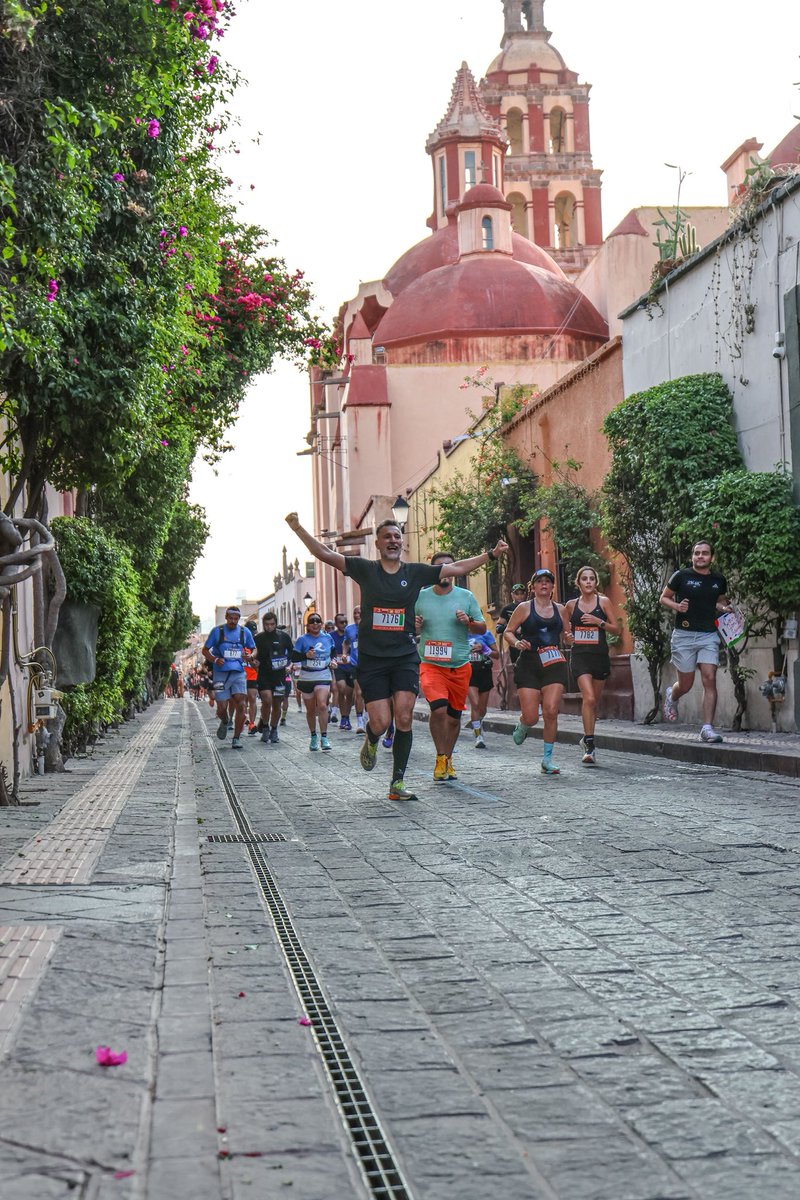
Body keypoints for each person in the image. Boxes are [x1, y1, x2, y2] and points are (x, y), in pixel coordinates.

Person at [285, 511, 508, 801]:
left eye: (397, 537)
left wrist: (490, 554)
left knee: (403, 717)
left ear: (401, 543)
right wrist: (298, 527)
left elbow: (458, 568)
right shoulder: (365, 569)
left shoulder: (414, 572)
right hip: (373, 659)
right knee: (380, 721)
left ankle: (397, 783)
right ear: (377, 543)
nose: (393, 540)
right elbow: (325, 553)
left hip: (404, 656)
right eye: (387, 536)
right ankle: (372, 737)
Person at [415, 552, 486, 780]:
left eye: (448, 566)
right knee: (438, 709)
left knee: (454, 718)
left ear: (454, 570)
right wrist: (415, 626)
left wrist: (469, 622)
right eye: (439, 567)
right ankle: (440, 757)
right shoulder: (420, 598)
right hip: (431, 665)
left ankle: (449, 759)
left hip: (459, 665)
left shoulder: (465, 596)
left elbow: (482, 628)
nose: (444, 570)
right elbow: (409, 629)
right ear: (433, 571)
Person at [660, 540, 732, 743]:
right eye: (697, 553)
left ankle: (707, 728)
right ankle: (672, 695)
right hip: (683, 635)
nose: (700, 556)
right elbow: (663, 598)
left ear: (711, 557)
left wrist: (724, 608)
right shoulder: (681, 576)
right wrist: (677, 606)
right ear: (692, 556)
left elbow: (719, 601)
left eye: (705, 553)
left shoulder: (719, 579)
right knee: (686, 685)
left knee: (710, 678)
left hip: (708, 635)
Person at [503, 568, 569, 775]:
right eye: (539, 581)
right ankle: (524, 724)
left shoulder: (561, 609)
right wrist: (516, 643)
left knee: (550, 710)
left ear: (552, 587)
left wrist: (569, 639)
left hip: (553, 663)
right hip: (530, 663)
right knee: (532, 716)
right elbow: (508, 631)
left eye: (548, 581)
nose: (544, 585)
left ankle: (547, 760)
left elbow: (566, 633)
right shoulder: (524, 608)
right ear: (533, 587)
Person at [564, 566, 621, 766]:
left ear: (595, 582)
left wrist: (599, 622)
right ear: (578, 583)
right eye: (584, 579)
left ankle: (587, 736)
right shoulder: (571, 606)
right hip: (580, 657)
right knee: (588, 698)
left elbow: (618, 629)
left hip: (599, 656)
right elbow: (564, 633)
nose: (588, 582)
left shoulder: (603, 602)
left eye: (591, 579)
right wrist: (568, 637)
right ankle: (590, 745)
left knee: (593, 702)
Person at [202, 607, 256, 749]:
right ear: (226, 617)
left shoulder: (245, 632)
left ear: (238, 619)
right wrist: (214, 659)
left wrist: (250, 656)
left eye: (236, 618)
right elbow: (205, 650)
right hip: (220, 674)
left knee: (241, 703)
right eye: (230, 618)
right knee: (222, 707)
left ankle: (236, 738)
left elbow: (254, 648)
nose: (233, 621)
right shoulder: (217, 632)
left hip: (238, 673)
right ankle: (225, 721)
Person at [293, 613, 335, 751]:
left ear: (321, 624)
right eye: (312, 621)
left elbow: (333, 654)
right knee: (311, 710)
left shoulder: (328, 638)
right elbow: (293, 657)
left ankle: (324, 737)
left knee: (322, 705)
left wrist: (333, 661)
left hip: (323, 674)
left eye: (318, 621)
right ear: (308, 625)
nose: (315, 623)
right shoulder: (302, 640)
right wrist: (305, 655)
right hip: (306, 676)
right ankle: (313, 736)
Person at [254, 611, 294, 744]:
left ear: (276, 624)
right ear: (263, 625)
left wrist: (290, 665)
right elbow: (254, 654)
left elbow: (292, 654)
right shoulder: (258, 638)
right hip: (264, 674)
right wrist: (254, 662)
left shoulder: (284, 637)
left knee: (277, 703)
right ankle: (265, 726)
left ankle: (274, 729)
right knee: (267, 700)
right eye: (266, 624)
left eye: (271, 624)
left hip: (279, 676)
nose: (269, 627)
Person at [467, 628, 499, 749]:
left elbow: (497, 655)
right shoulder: (459, 634)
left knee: (482, 709)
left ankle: (477, 724)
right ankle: (478, 736)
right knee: (474, 704)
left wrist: (484, 649)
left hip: (484, 671)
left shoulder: (486, 634)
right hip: (468, 672)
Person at [329, 612, 356, 730]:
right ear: (336, 623)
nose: (344, 624)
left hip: (351, 666)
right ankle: (344, 716)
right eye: (341, 622)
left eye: (345, 622)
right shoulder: (331, 636)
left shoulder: (351, 632)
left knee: (350, 694)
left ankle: (346, 717)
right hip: (338, 667)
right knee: (341, 688)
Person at [343, 606, 365, 732]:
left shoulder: (370, 626)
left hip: (370, 664)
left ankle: (368, 717)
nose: (357, 615)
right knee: (359, 692)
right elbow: (346, 643)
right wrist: (345, 654)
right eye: (354, 613)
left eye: (359, 613)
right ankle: (360, 722)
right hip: (356, 664)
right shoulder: (349, 629)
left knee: (370, 693)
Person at [495, 583, 529, 665]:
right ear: (512, 595)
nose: (520, 596)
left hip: (530, 641)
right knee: (517, 666)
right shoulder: (507, 609)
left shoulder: (530, 606)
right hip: (515, 642)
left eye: (522, 593)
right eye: (517, 594)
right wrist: (511, 628)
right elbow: (498, 627)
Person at [243, 620, 259, 734]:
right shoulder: (240, 642)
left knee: (252, 699)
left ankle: (252, 724)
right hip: (241, 676)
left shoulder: (257, 645)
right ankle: (245, 719)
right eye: (251, 632)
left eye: (254, 632)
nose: (253, 635)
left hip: (253, 676)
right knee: (243, 702)